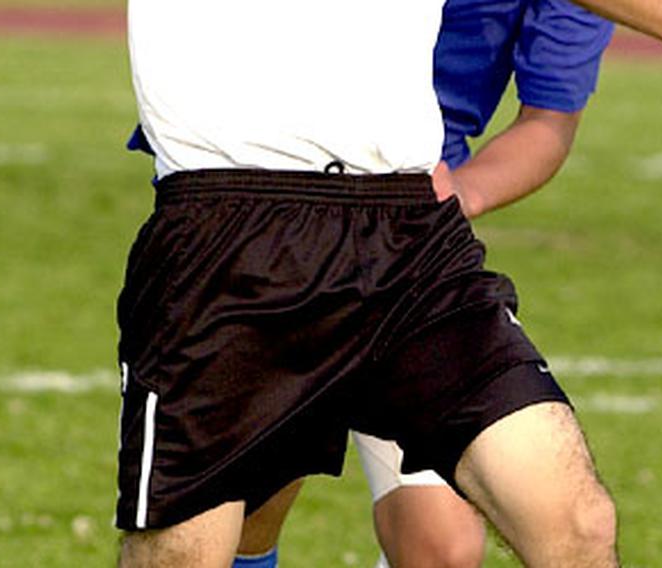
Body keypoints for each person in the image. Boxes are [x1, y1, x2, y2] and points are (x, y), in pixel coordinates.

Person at [115, 1, 662, 567]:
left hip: (408, 232)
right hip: (229, 231)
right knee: (187, 551)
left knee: (575, 521)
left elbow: (548, 122)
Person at [230, 1, 615, 566]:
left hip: (410, 245)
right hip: (263, 219)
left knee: (445, 548)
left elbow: (549, 120)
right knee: (237, 519)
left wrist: (462, 192)